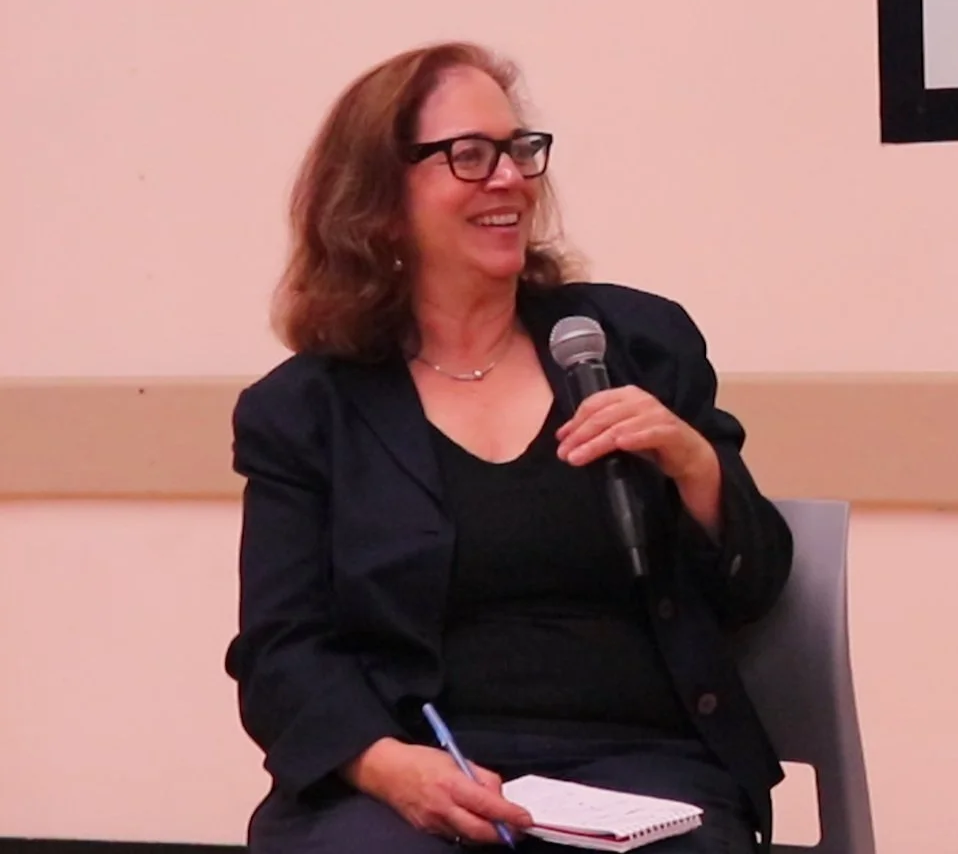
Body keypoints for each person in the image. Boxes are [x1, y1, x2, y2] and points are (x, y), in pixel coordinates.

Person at [226, 42, 792, 852]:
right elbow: (280, 651)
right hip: (418, 772)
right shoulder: (307, 410)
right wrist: (390, 769)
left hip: (641, 767)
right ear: (379, 199)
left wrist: (694, 463)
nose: (509, 178)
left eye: (520, 150)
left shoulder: (637, 344)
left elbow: (754, 587)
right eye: (468, 155)